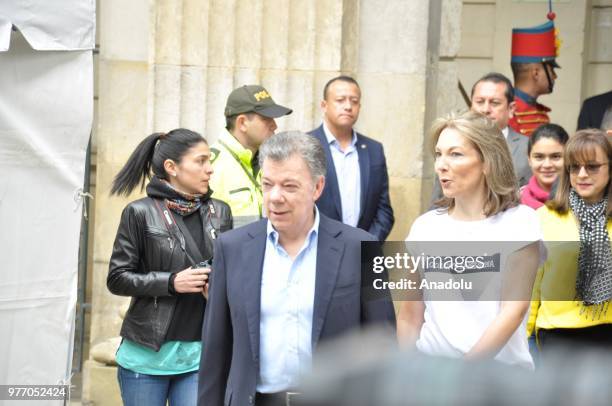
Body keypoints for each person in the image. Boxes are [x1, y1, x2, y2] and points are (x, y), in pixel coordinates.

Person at [197, 131, 396, 406]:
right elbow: (215, 352)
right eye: (267, 184)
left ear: (317, 187)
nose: (275, 197)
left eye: (289, 186)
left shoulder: (363, 247)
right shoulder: (231, 248)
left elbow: (382, 344)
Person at [397, 110, 542, 370]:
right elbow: (409, 316)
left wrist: (461, 377)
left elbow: (513, 311)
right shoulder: (425, 228)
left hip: (497, 380)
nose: (441, 164)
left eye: (455, 154)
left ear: (487, 162)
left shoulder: (521, 223)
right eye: (439, 154)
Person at [107, 129, 233, 405]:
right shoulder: (139, 212)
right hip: (146, 359)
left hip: (201, 356)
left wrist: (220, 291)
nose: (209, 169)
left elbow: (231, 273)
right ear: (172, 168)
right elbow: (117, 278)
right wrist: (171, 282)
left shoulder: (220, 212)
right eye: (200, 161)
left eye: (208, 161)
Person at [528, 129, 612, 358]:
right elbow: (532, 284)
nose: (582, 174)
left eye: (592, 166)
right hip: (557, 335)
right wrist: (527, 338)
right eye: (574, 167)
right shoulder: (545, 217)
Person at [309, 76, 394, 241]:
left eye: (354, 101)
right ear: (324, 105)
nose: (348, 106)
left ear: (359, 107)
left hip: (362, 255)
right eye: (340, 100)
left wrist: (367, 244)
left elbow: (384, 210)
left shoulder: (374, 150)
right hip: (317, 249)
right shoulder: (305, 146)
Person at [431, 72, 532, 204]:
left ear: (511, 108)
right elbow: (438, 202)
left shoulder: (528, 148)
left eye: (495, 103)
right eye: (479, 102)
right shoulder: (451, 144)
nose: (485, 109)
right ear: (471, 105)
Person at [210, 84, 292, 228]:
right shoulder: (211, 166)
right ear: (242, 123)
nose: (274, 125)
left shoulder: (268, 163)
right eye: (266, 119)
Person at [508, 14, 560, 136]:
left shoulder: (541, 113)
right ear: (536, 73)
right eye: (551, 70)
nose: (554, 76)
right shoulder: (507, 112)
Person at [520, 124, 569, 209]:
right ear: (529, 160)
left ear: (569, 158)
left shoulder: (582, 201)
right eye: (539, 157)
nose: (547, 165)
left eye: (556, 156)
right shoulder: (515, 202)